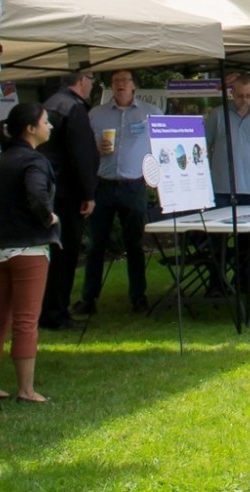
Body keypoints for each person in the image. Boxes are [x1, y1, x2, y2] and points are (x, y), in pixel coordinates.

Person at [0, 102, 60, 403]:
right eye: (45, 122)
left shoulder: (3, 159)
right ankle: (26, 389)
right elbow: (35, 193)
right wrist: (49, 216)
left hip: (0, 247)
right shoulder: (34, 161)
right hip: (29, 249)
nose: (50, 126)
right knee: (26, 320)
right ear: (30, 129)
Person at [76, 70, 158, 317]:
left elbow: (161, 147)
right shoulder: (96, 114)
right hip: (104, 185)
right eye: (116, 81)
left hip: (133, 185)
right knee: (96, 246)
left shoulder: (150, 114)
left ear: (134, 86)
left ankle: (138, 297)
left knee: (134, 245)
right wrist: (94, 148)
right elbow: (82, 148)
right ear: (111, 86)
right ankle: (88, 299)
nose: (121, 85)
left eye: (125, 81)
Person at [37, 70, 99, 332]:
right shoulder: (73, 108)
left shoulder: (50, 104)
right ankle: (56, 314)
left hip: (49, 190)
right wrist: (89, 194)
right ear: (83, 80)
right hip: (67, 193)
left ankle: (47, 309)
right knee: (65, 255)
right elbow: (82, 155)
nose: (93, 86)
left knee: (51, 256)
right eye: (92, 81)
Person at [205, 74, 250, 207]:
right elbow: (204, 146)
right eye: (240, 96)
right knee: (221, 227)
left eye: (248, 96)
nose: (244, 100)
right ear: (232, 93)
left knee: (247, 227)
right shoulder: (217, 115)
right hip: (222, 186)